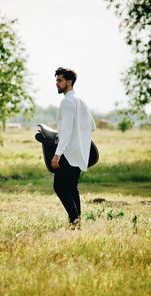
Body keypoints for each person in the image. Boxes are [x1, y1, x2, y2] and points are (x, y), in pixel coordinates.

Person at [51, 67, 96, 230]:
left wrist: (57, 155)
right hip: (80, 153)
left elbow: (67, 131)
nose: (56, 84)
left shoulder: (67, 102)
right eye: (56, 80)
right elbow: (92, 126)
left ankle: (74, 222)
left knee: (60, 187)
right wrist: (80, 138)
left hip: (68, 153)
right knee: (71, 187)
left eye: (59, 80)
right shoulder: (81, 100)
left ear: (69, 82)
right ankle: (77, 224)